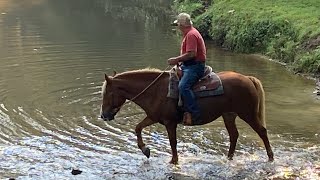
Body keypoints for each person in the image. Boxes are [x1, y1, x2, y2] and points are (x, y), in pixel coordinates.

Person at [167, 12, 206, 125]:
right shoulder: (190, 33)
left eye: (178, 25)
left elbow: (192, 54)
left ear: (182, 25)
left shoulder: (191, 35)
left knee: (183, 86)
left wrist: (176, 60)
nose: (178, 27)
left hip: (194, 67)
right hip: (189, 65)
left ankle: (195, 113)